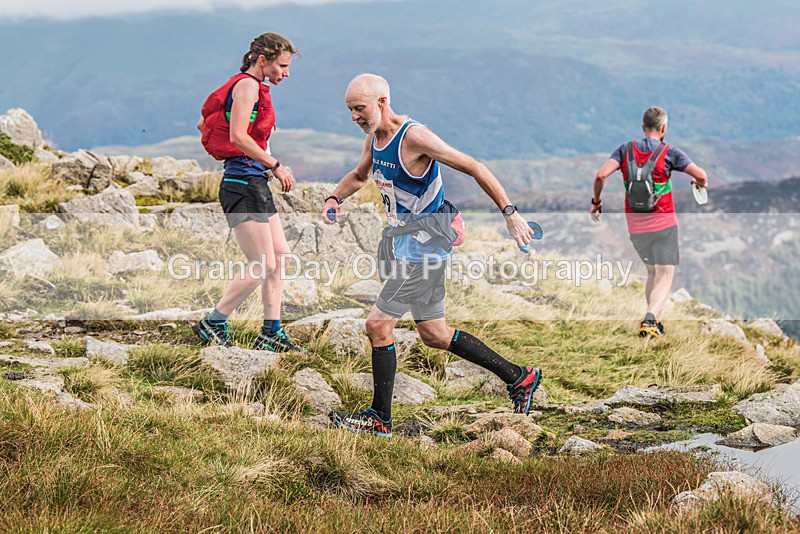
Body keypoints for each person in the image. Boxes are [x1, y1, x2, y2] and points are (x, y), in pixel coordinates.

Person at [321, 73, 543, 438]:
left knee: (377, 326)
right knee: (435, 334)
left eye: (358, 108)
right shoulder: (374, 139)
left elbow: (475, 167)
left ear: (381, 102)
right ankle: (520, 377)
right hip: (406, 245)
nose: (354, 117)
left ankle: (380, 417)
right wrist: (334, 197)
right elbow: (360, 176)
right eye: (349, 110)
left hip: (426, 248)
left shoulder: (414, 137)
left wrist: (509, 212)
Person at [192, 32, 306, 353]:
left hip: (253, 183)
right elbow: (240, 137)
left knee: (280, 256)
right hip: (242, 184)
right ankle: (214, 322)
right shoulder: (247, 86)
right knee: (262, 263)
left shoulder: (250, 87)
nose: (286, 72)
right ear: (262, 61)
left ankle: (271, 332)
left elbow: (205, 125)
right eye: (282, 65)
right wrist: (276, 165)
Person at [591, 106, 708, 338]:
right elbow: (702, 175)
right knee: (665, 275)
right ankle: (651, 319)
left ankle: (655, 323)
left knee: (653, 273)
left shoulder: (625, 150)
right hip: (664, 225)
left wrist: (596, 201)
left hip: (636, 227)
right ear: (664, 128)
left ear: (643, 127)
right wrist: (700, 185)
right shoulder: (670, 152)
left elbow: (601, 175)